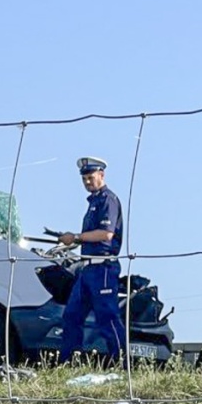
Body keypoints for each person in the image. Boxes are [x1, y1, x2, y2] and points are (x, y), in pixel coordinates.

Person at [57, 156, 125, 364]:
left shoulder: (108, 200)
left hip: (103, 267)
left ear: (101, 175)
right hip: (87, 269)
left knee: (108, 317)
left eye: (90, 177)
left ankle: (122, 363)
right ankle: (68, 363)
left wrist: (76, 237)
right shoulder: (94, 201)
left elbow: (106, 234)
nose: (87, 182)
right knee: (71, 316)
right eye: (84, 179)